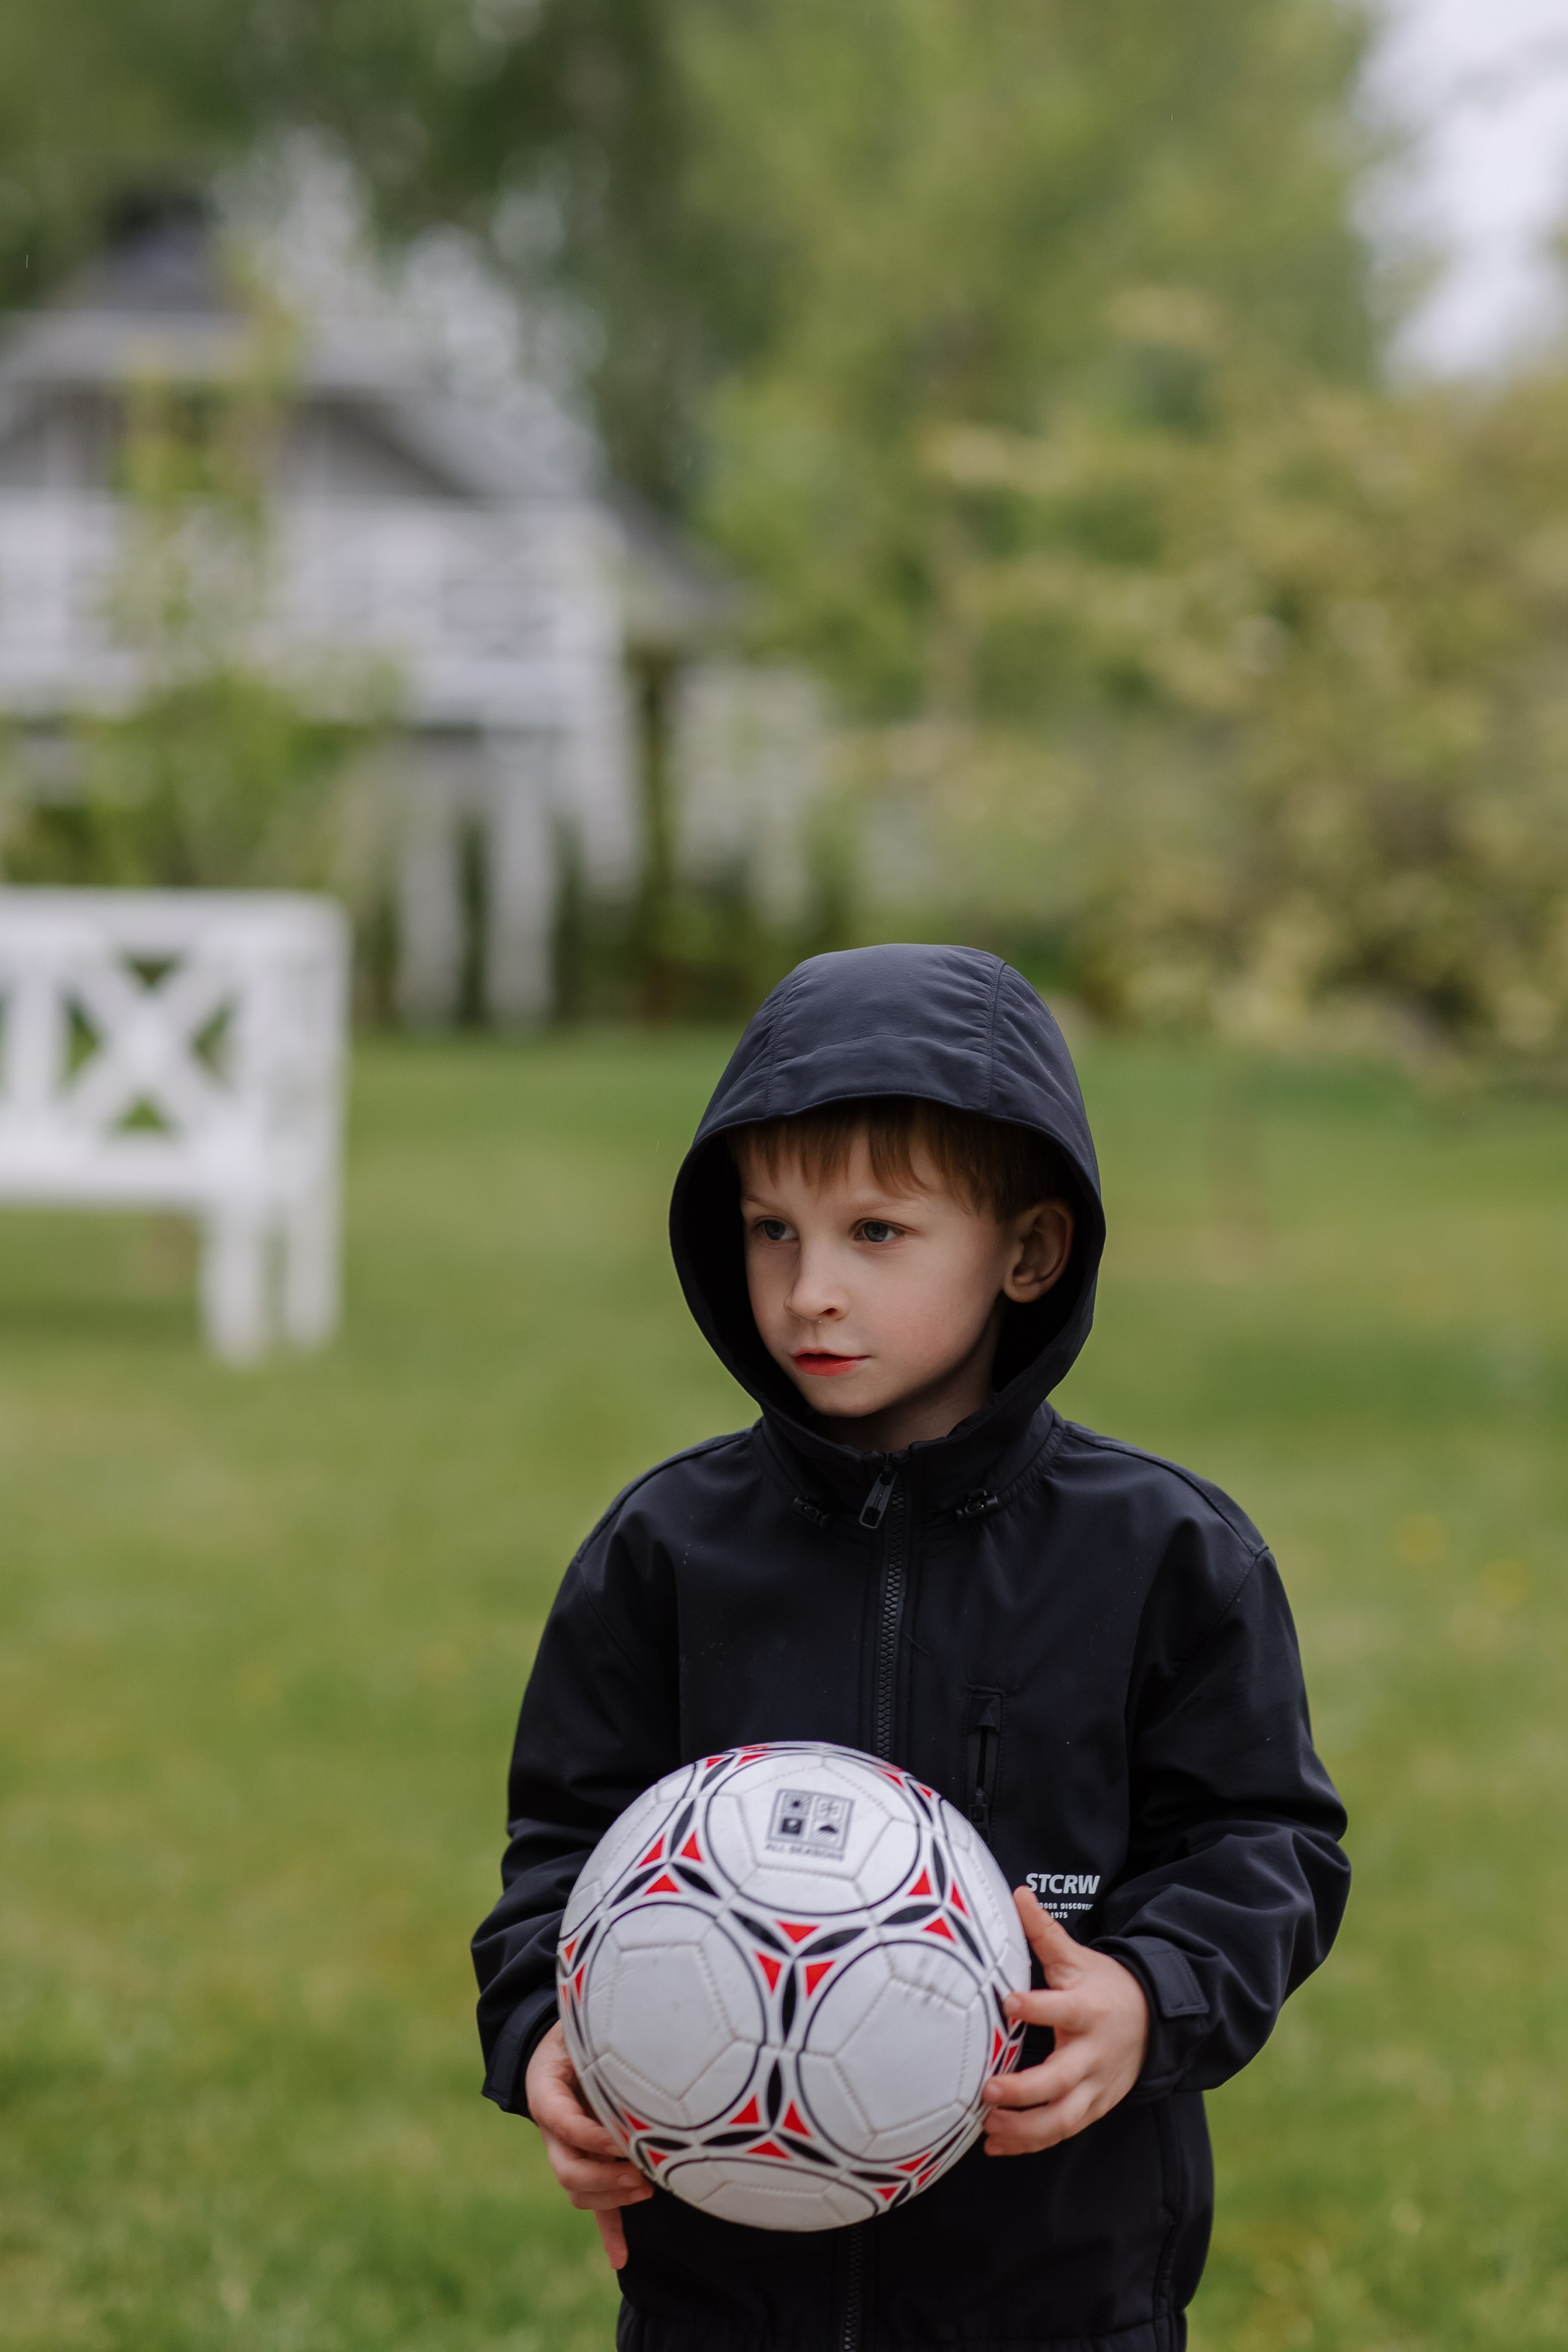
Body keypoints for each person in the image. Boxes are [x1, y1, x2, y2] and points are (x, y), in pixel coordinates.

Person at [473, 943, 1349, 2352]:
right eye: (771, 1230)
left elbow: (1265, 1843)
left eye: (874, 1233)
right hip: (720, 2293)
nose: (808, 1287)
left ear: (1028, 1252)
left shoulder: (1162, 1556)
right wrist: (542, 2039)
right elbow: (563, 1849)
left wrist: (1146, 1992)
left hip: (1056, 2283)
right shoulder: (668, 1549)